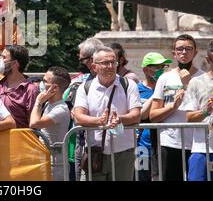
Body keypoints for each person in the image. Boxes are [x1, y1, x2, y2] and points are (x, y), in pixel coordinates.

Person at [73, 47, 142, 181]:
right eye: (105, 63)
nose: (110, 66)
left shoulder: (129, 85)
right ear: (94, 66)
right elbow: (78, 116)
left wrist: (119, 119)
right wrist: (99, 121)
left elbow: (136, 115)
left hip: (124, 152)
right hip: (95, 151)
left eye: (113, 62)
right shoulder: (85, 87)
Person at [149, 34, 204, 180]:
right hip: (170, 143)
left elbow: (208, 111)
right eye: (180, 49)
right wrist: (173, 107)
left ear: (195, 52)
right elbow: (153, 116)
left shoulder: (203, 78)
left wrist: (188, 85)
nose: (184, 52)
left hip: (197, 144)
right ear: (174, 53)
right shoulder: (164, 78)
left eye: (188, 49)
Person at [63, 37, 104, 181]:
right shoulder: (78, 83)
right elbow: (72, 112)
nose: (80, 64)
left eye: (82, 60)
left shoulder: (116, 81)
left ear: (93, 59)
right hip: (83, 143)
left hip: (109, 143)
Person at [183, 40, 213, 181]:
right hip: (202, 150)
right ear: (208, 59)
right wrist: (206, 112)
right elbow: (189, 117)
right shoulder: (196, 82)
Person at [30, 66, 71, 181]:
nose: (41, 84)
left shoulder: (61, 109)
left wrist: (38, 101)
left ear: (55, 88)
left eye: (44, 81)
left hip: (56, 165)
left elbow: (34, 123)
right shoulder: (49, 104)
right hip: (46, 161)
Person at [136, 52, 172, 181]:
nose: (161, 70)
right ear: (146, 69)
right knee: (141, 178)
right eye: (157, 67)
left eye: (163, 66)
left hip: (164, 145)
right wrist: (157, 93)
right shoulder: (136, 89)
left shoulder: (169, 88)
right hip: (142, 146)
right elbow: (141, 115)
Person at [0, 45, 39, 128]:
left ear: (15, 63)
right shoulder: (0, 85)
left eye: (3, 57)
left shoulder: (30, 90)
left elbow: (33, 126)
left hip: (19, 139)